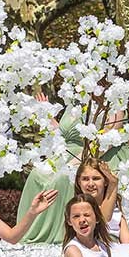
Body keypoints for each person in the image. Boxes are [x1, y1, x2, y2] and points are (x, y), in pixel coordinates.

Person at [16, 98, 83, 244]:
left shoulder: (94, 108)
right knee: (35, 174)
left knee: (63, 177)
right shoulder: (71, 104)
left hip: (81, 156)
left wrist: (74, 162)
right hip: (63, 154)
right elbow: (61, 133)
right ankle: (27, 229)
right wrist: (46, 112)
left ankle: (59, 232)